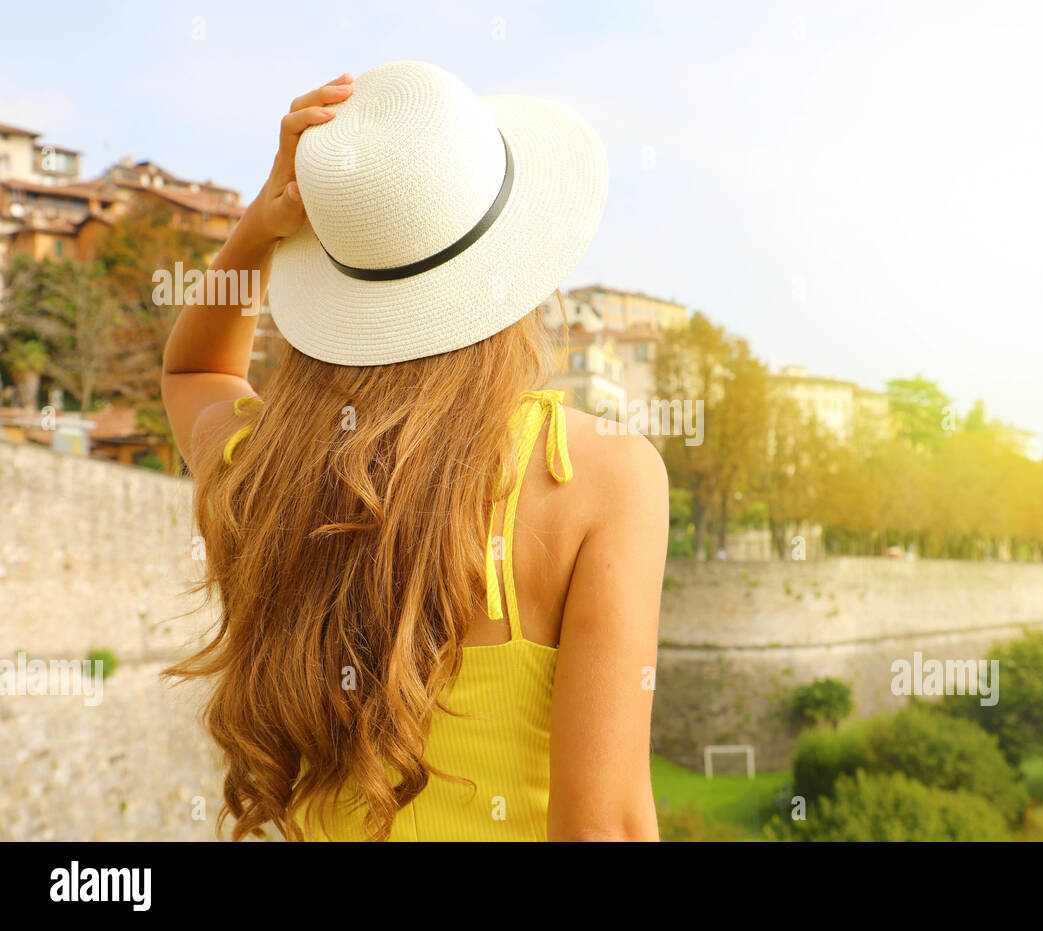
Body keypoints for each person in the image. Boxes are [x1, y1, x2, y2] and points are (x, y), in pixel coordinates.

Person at [161, 61, 667, 842]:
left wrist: (260, 222)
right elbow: (604, 826)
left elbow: (194, 370)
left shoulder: (266, 470)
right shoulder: (600, 476)